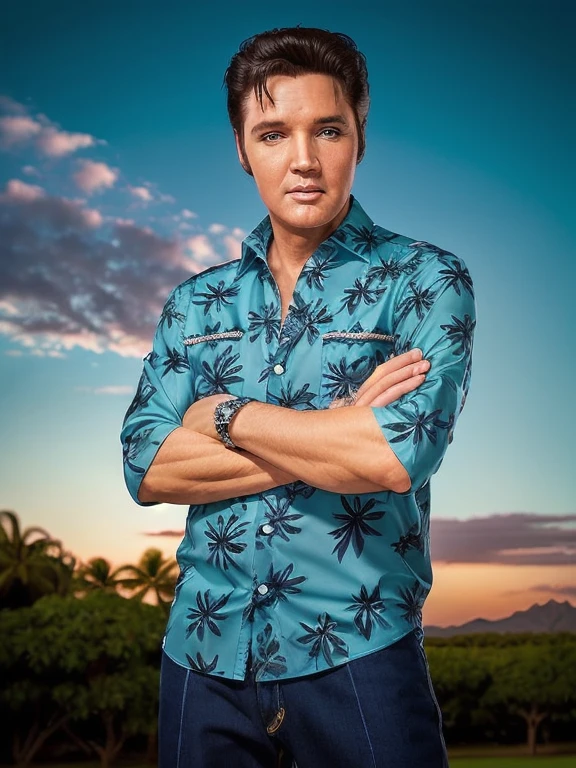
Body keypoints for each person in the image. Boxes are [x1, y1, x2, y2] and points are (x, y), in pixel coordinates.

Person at [120, 25, 475, 768]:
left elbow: (395, 454)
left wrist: (226, 416)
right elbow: (146, 465)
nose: (305, 159)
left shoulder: (426, 281)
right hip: (200, 658)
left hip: (362, 651)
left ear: (360, 140)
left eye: (329, 130)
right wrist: (335, 434)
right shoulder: (195, 303)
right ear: (243, 150)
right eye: (274, 133)